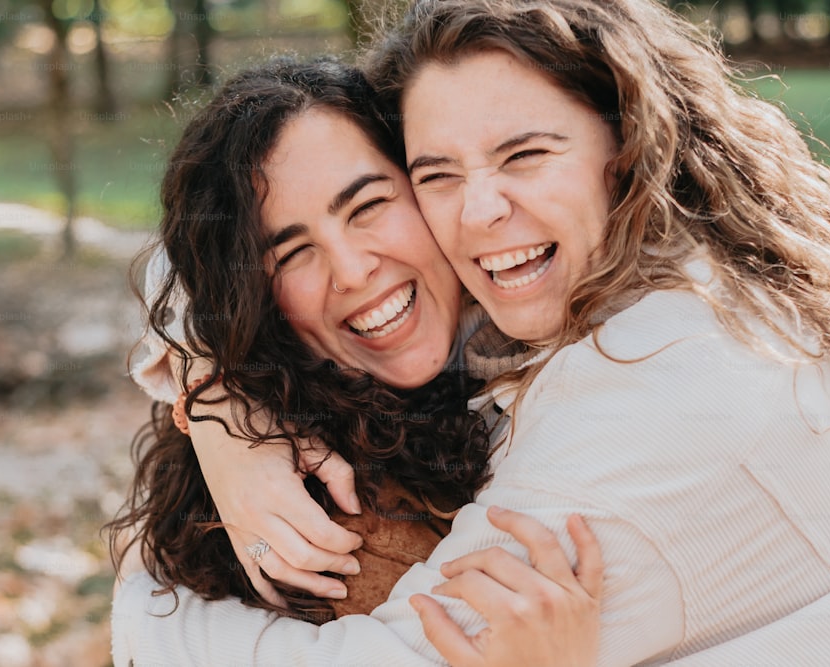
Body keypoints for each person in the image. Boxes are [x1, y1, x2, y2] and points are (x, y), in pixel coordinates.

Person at [114, 0, 830, 664]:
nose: (479, 211)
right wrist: (219, 407)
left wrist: (145, 610)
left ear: (626, 143)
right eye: (436, 172)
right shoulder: (598, 268)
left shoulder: (661, 391)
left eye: (524, 154)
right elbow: (199, 247)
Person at [110, 54, 603, 664]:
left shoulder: (541, 296)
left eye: (368, 206)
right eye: (292, 254)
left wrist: (210, 394)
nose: (351, 270)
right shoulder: (331, 502)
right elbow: (182, 268)